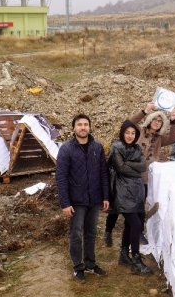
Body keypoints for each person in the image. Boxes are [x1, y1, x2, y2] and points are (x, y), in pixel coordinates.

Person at [55, 114, 109, 283]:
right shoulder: (66, 149)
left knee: (91, 233)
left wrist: (106, 196)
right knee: (76, 234)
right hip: (76, 201)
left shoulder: (97, 147)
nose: (83, 127)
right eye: (80, 125)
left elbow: (103, 173)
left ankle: (91, 264)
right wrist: (65, 203)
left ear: (90, 127)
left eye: (86, 124)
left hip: (94, 199)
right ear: (74, 128)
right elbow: (61, 177)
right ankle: (78, 267)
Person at [126, 102, 175, 243]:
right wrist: (145, 110)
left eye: (160, 121)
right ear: (150, 120)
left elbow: (173, 139)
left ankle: (139, 231)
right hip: (133, 173)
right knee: (130, 203)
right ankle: (121, 229)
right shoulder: (139, 131)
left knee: (141, 204)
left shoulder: (160, 139)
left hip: (148, 176)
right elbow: (129, 122)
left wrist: (173, 121)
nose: (157, 122)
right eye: (155, 119)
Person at [108, 120, 154, 275]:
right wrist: (133, 168)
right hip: (122, 192)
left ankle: (123, 255)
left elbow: (143, 166)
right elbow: (120, 168)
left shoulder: (136, 148)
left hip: (136, 191)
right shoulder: (116, 147)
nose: (130, 136)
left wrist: (129, 164)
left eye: (133, 133)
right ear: (122, 133)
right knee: (135, 225)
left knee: (130, 225)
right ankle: (136, 259)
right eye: (127, 132)